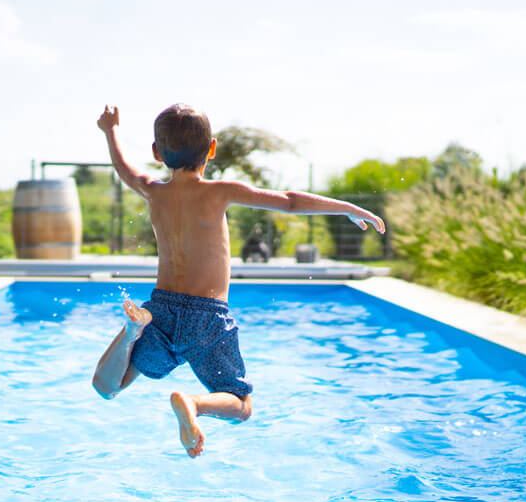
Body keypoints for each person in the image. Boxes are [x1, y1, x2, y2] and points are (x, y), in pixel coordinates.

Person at [91, 103, 385, 458]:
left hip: (160, 309)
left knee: (108, 387)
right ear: (211, 149)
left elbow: (124, 170)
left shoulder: (154, 191)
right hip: (206, 317)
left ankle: (129, 334)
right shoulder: (219, 192)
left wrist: (110, 131)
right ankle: (193, 403)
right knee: (242, 405)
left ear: (157, 153)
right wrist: (347, 208)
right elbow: (290, 202)